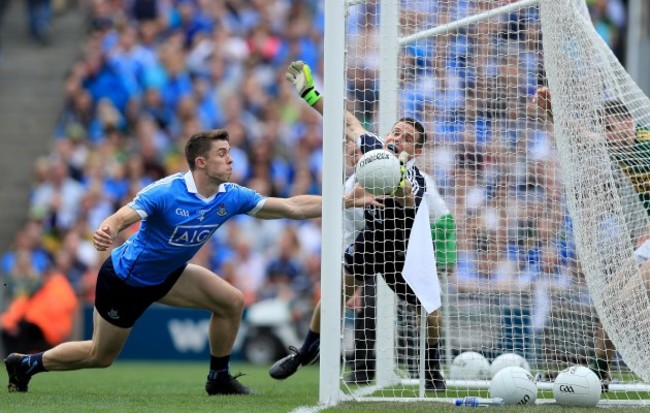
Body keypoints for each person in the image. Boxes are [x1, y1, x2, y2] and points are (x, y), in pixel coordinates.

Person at [3, 129, 365, 395]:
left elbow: (289, 207)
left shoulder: (231, 195)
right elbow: (125, 215)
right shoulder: (166, 191)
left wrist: (343, 200)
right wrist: (107, 228)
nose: (231, 158)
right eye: (223, 153)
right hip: (126, 281)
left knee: (231, 302)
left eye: (230, 152)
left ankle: (218, 378)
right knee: (100, 356)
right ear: (202, 162)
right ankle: (26, 364)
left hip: (170, 275)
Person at [269, 61, 447, 391]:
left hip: (401, 253)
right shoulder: (375, 149)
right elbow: (347, 122)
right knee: (333, 296)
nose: (397, 138)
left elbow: (406, 198)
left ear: (417, 150)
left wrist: (394, 176)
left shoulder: (416, 179)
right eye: (395, 131)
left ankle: (431, 365)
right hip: (371, 242)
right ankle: (307, 351)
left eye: (407, 138)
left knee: (432, 311)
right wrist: (309, 93)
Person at [534, 86, 650, 391]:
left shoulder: (647, 138)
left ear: (628, 123)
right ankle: (601, 374)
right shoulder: (616, 147)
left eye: (611, 128)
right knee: (610, 303)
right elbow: (579, 137)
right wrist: (551, 109)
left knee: (629, 303)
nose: (608, 135)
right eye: (605, 130)